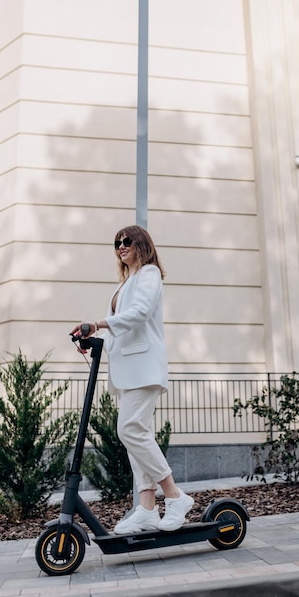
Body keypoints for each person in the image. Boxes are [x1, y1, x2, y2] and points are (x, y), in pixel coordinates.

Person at [70, 225, 193, 533]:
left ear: (141, 244)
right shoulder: (126, 282)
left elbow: (139, 314)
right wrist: (93, 339)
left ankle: (174, 496)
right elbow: (120, 328)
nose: (121, 247)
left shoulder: (149, 274)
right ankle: (148, 508)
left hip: (144, 368)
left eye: (126, 241)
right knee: (138, 435)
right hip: (129, 370)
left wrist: (98, 323)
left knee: (129, 430)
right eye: (116, 243)